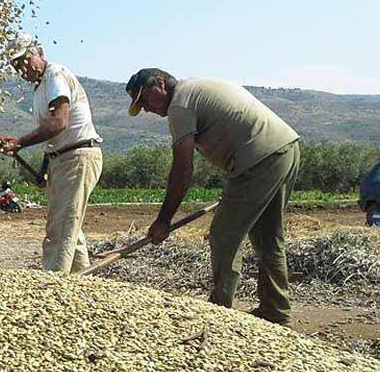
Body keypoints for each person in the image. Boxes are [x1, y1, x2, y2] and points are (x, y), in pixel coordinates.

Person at [126, 68, 301, 326]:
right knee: (267, 236)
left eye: (145, 99)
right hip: (284, 148)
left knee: (223, 234)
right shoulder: (193, 90)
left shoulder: (180, 105)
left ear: (161, 83)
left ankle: (220, 310)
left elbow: (182, 169)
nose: (146, 108)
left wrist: (163, 220)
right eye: (140, 105)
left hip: (259, 158)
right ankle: (276, 311)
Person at [0, 32, 103, 272]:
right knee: (69, 227)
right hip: (61, 158)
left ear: (39, 53)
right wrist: (44, 170)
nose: (22, 69)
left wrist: (20, 143)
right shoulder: (39, 89)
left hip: (78, 157)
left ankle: (53, 284)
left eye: (25, 61)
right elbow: (53, 136)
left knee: (60, 228)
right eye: (16, 65)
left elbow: (59, 123)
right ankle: (81, 282)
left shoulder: (55, 75)